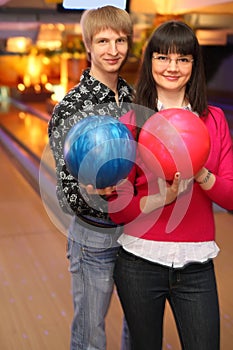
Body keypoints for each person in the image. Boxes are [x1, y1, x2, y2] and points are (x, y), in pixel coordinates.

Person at [107, 20, 233, 350]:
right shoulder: (131, 121)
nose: (172, 67)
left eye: (183, 59)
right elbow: (118, 210)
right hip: (138, 264)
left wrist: (201, 171)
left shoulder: (214, 120)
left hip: (195, 267)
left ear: (194, 64)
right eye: (162, 57)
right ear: (150, 63)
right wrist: (161, 198)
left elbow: (230, 195)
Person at [48, 6, 133, 350]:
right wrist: (90, 191)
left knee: (138, 330)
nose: (113, 50)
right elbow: (65, 193)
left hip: (137, 235)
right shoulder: (71, 106)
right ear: (88, 46)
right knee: (90, 337)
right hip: (94, 239)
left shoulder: (132, 97)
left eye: (120, 40)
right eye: (103, 41)